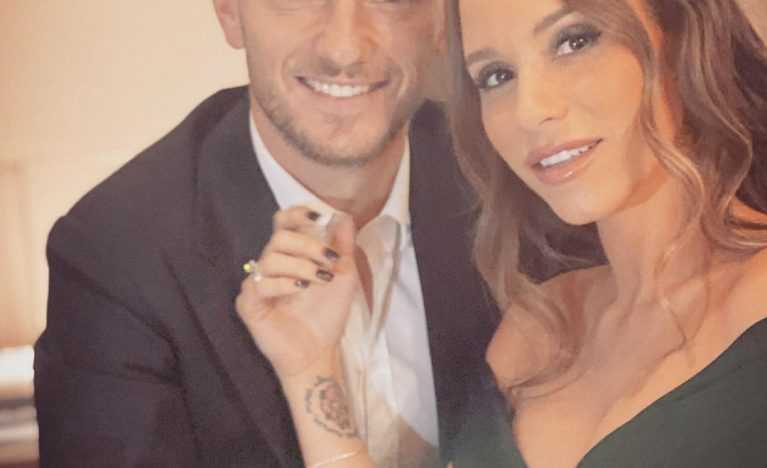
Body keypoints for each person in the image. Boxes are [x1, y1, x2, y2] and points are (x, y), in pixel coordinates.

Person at [33, 1, 501, 466]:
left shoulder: (509, 181)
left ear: (442, 19)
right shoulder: (116, 255)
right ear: (229, 13)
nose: (344, 49)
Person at [440, 0, 767, 466]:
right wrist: (324, 383)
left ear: (679, 39)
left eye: (574, 41)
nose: (529, 110)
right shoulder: (536, 328)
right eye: (496, 76)